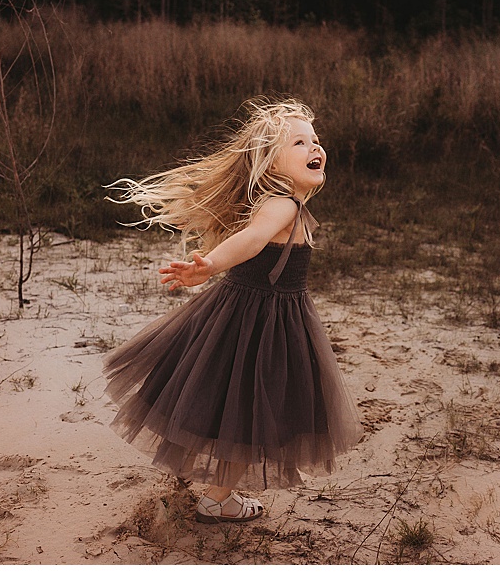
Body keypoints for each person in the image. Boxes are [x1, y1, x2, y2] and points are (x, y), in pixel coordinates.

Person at [104, 100, 359, 520]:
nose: (315, 147)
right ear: (272, 165)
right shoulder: (283, 206)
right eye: (299, 142)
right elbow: (254, 239)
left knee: (220, 398)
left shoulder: (283, 201)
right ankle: (218, 500)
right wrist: (212, 265)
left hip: (246, 312)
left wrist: (212, 265)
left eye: (315, 140)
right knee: (257, 418)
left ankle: (202, 478)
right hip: (264, 321)